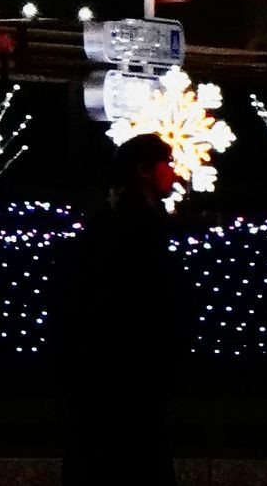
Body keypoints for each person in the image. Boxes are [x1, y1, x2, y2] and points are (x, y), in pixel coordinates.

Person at [52, 132, 184, 486]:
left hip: (113, 371)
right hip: (128, 371)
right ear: (144, 170)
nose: (174, 172)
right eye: (167, 163)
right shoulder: (136, 229)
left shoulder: (115, 224)